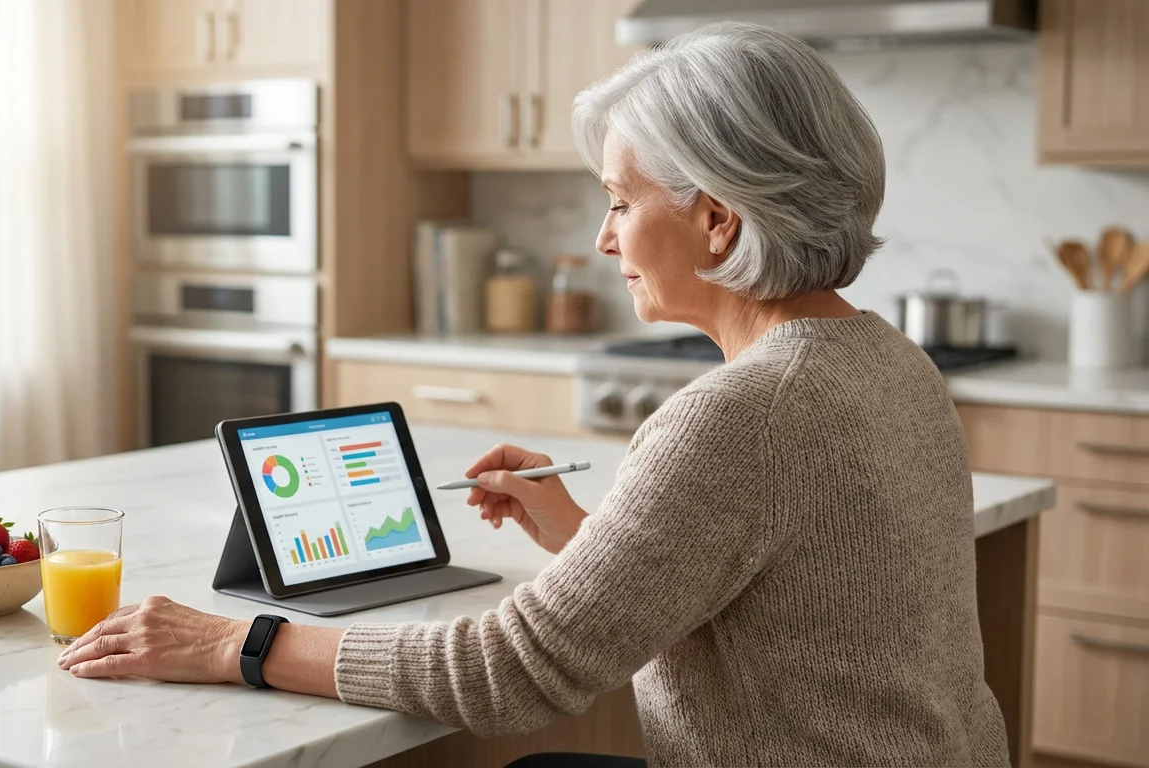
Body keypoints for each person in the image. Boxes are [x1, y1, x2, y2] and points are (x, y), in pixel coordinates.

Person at [57, 21, 1010, 767]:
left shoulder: (742, 413)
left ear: (717, 221)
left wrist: (240, 642)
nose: (605, 239)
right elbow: (793, 596)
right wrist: (584, 535)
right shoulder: (887, 358)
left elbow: (510, 673)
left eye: (620, 201)